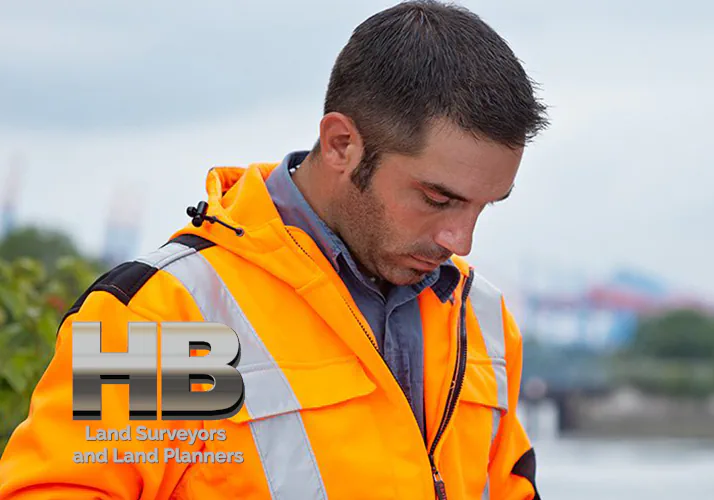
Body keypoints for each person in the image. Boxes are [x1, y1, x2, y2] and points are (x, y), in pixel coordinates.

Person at [0, 1, 548, 498]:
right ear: (341, 145)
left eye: (485, 205)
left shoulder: (484, 320)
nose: (462, 240)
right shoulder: (168, 319)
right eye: (436, 198)